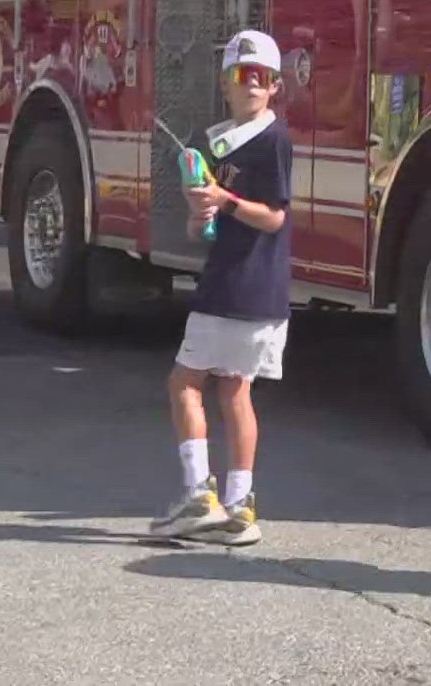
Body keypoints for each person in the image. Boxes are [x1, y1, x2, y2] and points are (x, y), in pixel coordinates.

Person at [149, 29, 293, 546]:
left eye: (262, 77)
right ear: (225, 83)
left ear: (275, 87)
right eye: (242, 75)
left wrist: (224, 199)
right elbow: (211, 219)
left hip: (240, 286)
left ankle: (196, 497)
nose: (252, 84)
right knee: (235, 390)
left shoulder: (272, 140)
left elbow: (274, 218)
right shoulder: (220, 140)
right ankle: (238, 508)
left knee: (184, 383)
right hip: (252, 286)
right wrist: (201, 214)